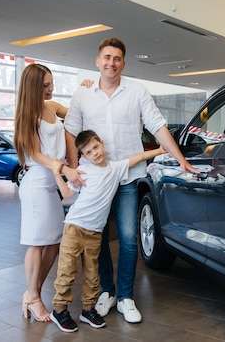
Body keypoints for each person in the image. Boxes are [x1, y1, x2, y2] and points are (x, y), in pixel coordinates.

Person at [63, 37, 198, 324]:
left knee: (127, 239)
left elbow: (157, 126)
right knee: (96, 239)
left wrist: (181, 160)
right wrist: (73, 169)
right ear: (98, 61)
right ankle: (107, 292)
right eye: (107, 57)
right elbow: (71, 131)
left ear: (123, 63)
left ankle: (125, 297)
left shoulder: (137, 91)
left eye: (117, 58)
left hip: (126, 178)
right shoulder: (83, 95)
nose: (111, 63)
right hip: (94, 181)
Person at [49, 130, 166, 332]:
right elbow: (67, 193)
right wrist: (56, 173)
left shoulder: (115, 168)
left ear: (102, 143)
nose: (94, 153)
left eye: (96, 147)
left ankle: (87, 309)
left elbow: (137, 157)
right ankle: (59, 311)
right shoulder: (83, 171)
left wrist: (160, 149)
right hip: (74, 228)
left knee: (93, 275)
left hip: (94, 232)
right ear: (83, 157)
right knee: (67, 272)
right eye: (88, 152)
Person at [14, 63, 72, 323]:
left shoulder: (51, 106)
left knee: (54, 240)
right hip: (38, 181)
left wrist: (86, 92)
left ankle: (31, 292)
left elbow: (75, 115)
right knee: (37, 241)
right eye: (46, 85)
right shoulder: (27, 115)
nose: (51, 88)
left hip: (51, 181)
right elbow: (35, 154)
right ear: (34, 87)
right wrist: (59, 167)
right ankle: (34, 297)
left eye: (52, 83)